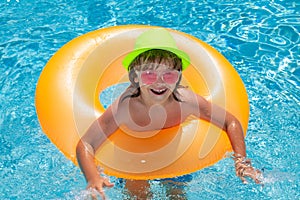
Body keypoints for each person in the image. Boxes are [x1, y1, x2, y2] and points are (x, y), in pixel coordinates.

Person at [76, 28, 262, 199]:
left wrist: (242, 162)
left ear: (179, 77)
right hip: (133, 160)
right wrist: (93, 177)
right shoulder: (126, 107)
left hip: (175, 157)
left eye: (169, 75)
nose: (159, 82)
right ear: (135, 76)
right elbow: (86, 143)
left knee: (177, 194)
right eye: (149, 74)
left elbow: (230, 122)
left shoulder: (186, 102)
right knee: (138, 194)